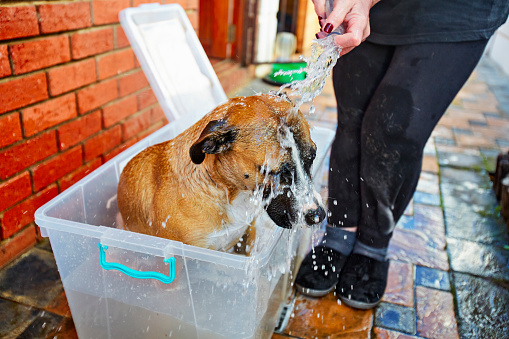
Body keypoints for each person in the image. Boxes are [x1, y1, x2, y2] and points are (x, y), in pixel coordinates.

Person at [295, 0, 509, 309]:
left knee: (393, 131)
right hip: (373, 10)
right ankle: (339, 232)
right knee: (351, 121)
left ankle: (372, 244)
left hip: (452, 11)